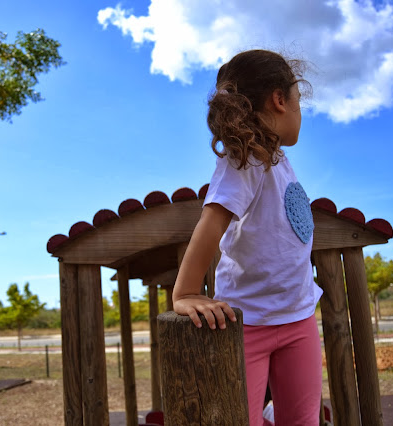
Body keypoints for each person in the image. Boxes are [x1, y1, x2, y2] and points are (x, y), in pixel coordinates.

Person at [172, 49, 323, 426]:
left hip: (299, 316)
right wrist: (186, 292)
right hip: (246, 323)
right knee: (240, 419)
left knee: (303, 420)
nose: (300, 111)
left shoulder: (279, 161)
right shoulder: (244, 160)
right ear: (279, 99)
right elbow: (211, 221)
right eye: (298, 100)